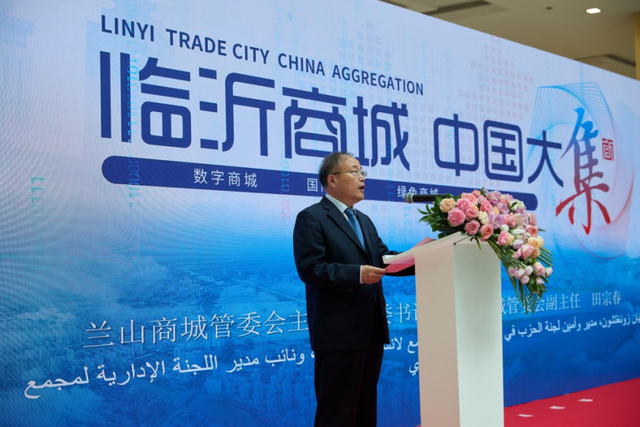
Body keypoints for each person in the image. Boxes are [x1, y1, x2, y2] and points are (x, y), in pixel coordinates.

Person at [293, 151, 414, 427]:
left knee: (365, 409)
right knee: (336, 414)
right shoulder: (312, 217)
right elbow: (310, 268)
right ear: (332, 179)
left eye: (363, 173)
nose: (362, 178)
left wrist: (424, 258)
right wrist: (358, 274)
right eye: (355, 171)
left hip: (370, 330)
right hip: (338, 334)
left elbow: (384, 259)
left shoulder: (364, 221)